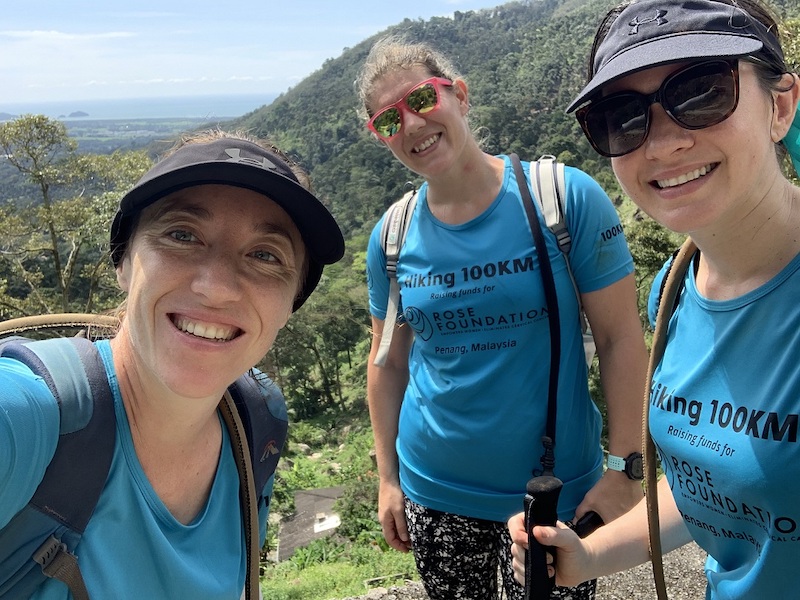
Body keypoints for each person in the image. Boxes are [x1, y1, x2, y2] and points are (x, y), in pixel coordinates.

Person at [507, 0, 800, 597]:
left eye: (701, 92)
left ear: (781, 106)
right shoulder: (674, 289)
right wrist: (587, 556)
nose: (663, 145)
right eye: (623, 117)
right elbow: (713, 489)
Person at [356, 36, 649, 600]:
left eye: (421, 99)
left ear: (459, 96)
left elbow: (620, 338)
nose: (410, 124)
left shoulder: (562, 198)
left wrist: (626, 467)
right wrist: (388, 479)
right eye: (388, 119)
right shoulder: (392, 235)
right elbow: (387, 363)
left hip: (553, 489)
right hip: (434, 488)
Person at [0, 129, 345, 598]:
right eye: (182, 235)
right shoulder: (28, 417)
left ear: (290, 304)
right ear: (124, 262)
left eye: (265, 255)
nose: (216, 286)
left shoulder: (257, 420)